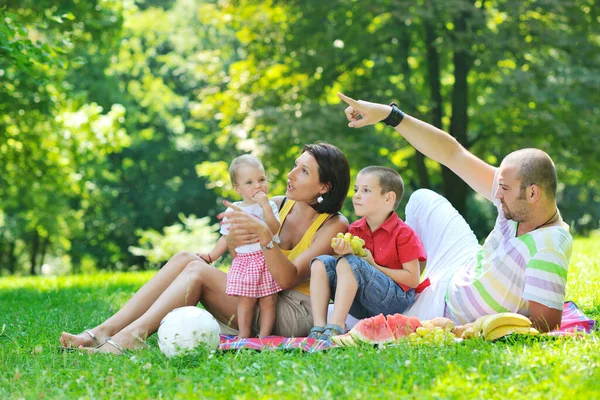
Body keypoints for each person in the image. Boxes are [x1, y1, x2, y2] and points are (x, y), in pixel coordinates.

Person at [59, 142, 350, 353]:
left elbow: (287, 278)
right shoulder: (276, 205)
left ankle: (129, 339)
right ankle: (103, 331)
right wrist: (235, 238)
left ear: (324, 187)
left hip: (293, 311)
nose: (290, 174)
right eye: (294, 166)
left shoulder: (334, 224)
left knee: (198, 272)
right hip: (257, 292)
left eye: (303, 171)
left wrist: (265, 236)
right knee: (186, 258)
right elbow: (241, 260)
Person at [337, 92, 572, 332]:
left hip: (443, 308)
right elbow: (453, 154)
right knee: (421, 199)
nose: (496, 195)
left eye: (504, 189)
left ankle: (394, 293)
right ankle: (402, 283)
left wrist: (474, 329)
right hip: (461, 265)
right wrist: (388, 115)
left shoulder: (548, 246)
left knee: (339, 317)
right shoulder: (519, 201)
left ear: (533, 194)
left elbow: (545, 326)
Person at [308, 166, 427, 340]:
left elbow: (413, 279)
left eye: (366, 190)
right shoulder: (354, 229)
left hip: (395, 300)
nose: (356, 195)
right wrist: (341, 253)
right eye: (356, 190)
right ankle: (318, 327)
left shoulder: (403, 233)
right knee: (320, 263)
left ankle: (336, 327)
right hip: (361, 302)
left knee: (352, 262)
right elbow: (345, 272)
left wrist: (372, 264)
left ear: (388, 198)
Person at [197, 154, 281, 338]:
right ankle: (244, 333)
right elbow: (225, 238)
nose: (258, 186)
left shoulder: (269, 206)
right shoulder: (234, 210)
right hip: (245, 262)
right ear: (237, 188)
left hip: (267, 260)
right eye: (249, 182)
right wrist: (211, 256)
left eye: (261, 179)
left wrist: (266, 206)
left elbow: (274, 229)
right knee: (246, 301)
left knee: (269, 301)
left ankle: (264, 337)